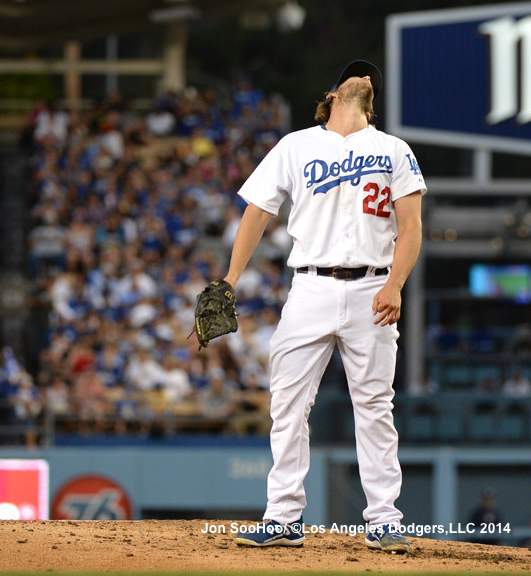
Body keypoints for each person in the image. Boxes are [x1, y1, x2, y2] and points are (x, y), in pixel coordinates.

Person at [217, 61, 425, 553]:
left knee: (374, 406)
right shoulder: (296, 145)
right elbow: (257, 211)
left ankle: (384, 520)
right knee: (288, 403)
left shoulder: (393, 149)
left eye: (369, 76)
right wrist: (229, 279)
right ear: (331, 94)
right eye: (355, 74)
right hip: (309, 287)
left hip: (373, 286)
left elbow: (411, 226)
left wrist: (396, 283)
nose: (364, 77)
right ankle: (283, 516)